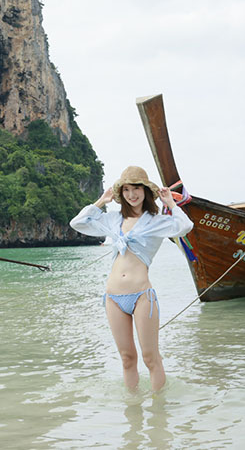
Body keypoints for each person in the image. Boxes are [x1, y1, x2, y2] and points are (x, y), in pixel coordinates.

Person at [70, 165, 194, 392]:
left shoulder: (156, 221)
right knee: (127, 358)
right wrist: (101, 202)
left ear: (145, 190)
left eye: (136, 188)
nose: (131, 194)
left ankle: (158, 408)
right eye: (126, 189)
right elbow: (77, 223)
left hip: (141, 296)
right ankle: (132, 408)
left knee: (150, 357)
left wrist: (171, 204)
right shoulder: (113, 219)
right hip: (113, 298)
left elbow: (185, 226)